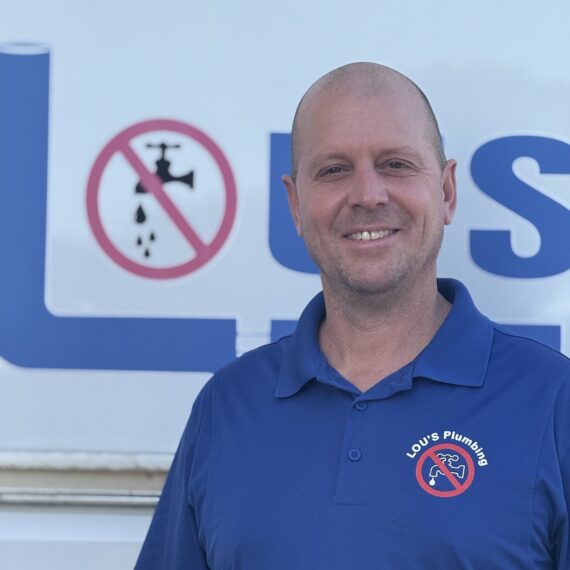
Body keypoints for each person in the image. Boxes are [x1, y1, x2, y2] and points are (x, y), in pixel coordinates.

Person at [135, 62, 570, 569]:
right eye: (334, 170)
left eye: (396, 164)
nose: (367, 195)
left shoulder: (552, 400)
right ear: (295, 205)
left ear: (447, 192)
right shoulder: (227, 406)